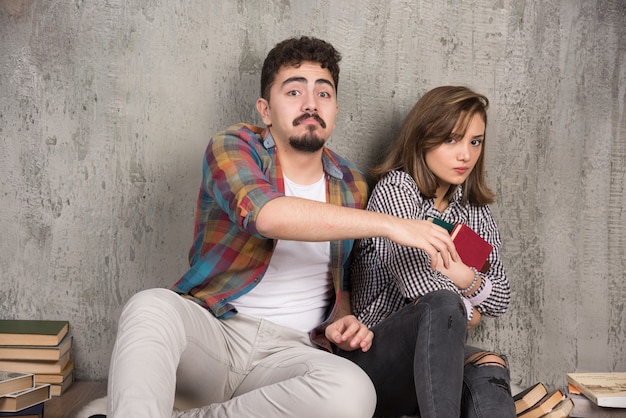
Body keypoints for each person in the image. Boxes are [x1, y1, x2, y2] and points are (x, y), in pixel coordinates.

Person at [103, 37, 461, 418]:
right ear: (266, 109)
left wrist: (343, 321)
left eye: (323, 94)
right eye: (294, 91)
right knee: (151, 306)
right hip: (215, 335)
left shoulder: (352, 185)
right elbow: (267, 216)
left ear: (335, 110)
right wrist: (393, 226)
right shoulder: (235, 146)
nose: (310, 104)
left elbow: (340, 284)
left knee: (353, 392)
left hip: (291, 357)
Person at [338, 86, 516, 418]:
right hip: (372, 356)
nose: (465, 155)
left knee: (489, 364)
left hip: (435, 355)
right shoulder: (396, 191)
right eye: (451, 140)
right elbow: (419, 286)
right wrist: (471, 302)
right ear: (423, 139)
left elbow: (502, 298)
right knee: (444, 303)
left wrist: (464, 277)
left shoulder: (476, 213)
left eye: (474, 142)